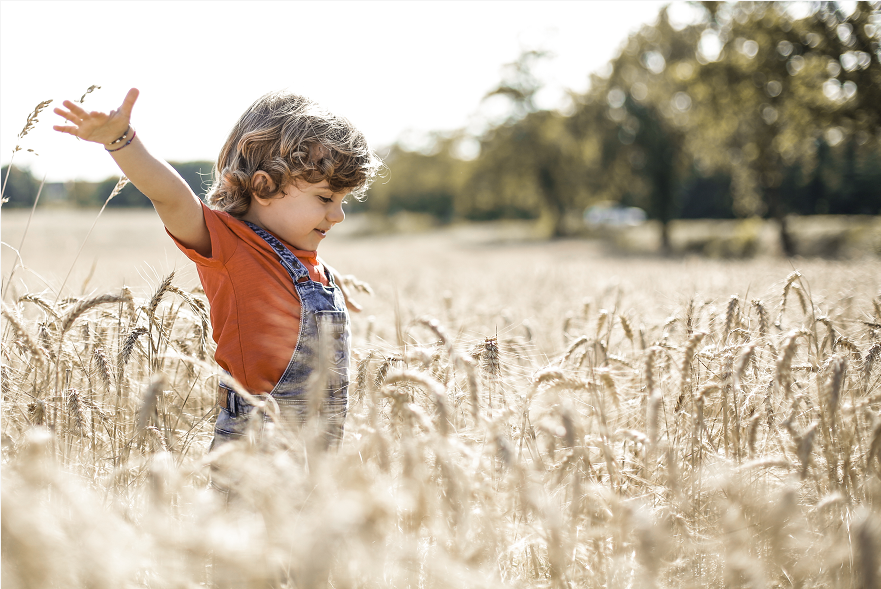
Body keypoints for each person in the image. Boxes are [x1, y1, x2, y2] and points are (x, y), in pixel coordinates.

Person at [53, 88, 382, 451]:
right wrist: (121, 140)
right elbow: (171, 196)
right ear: (263, 186)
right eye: (325, 198)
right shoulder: (230, 246)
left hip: (320, 450)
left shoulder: (307, 261)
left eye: (342, 200)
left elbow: (291, 283)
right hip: (256, 446)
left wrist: (331, 288)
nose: (339, 215)